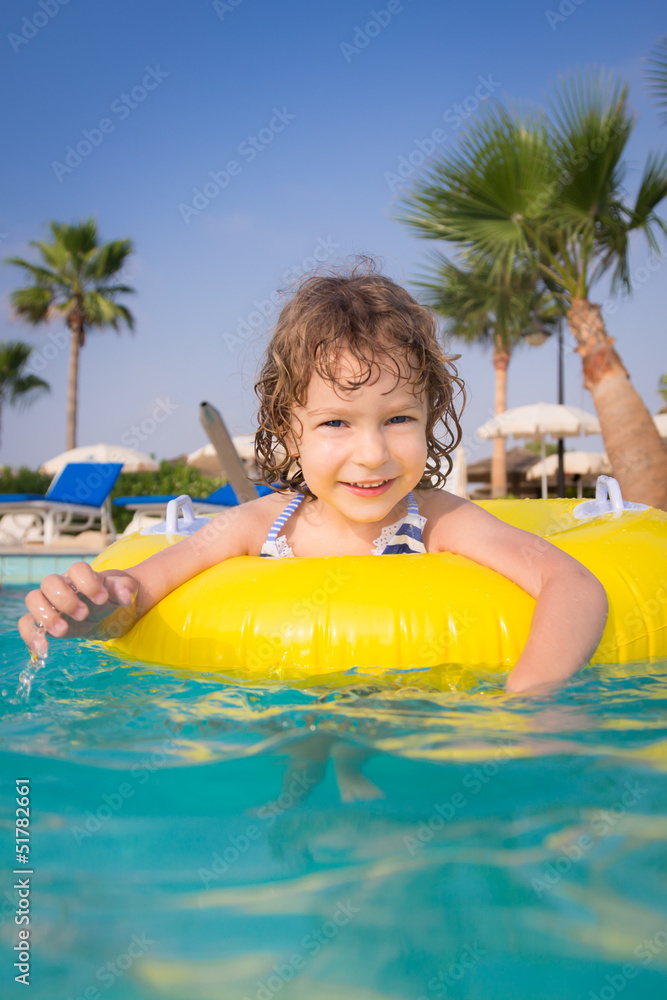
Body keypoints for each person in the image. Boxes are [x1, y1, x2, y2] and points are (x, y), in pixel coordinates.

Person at [19, 261, 608, 694]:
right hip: (288, 716)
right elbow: (143, 587)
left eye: (399, 418)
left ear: (431, 415)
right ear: (289, 429)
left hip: (413, 726)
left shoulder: (434, 519)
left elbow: (573, 584)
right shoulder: (258, 524)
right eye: (335, 423)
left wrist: (529, 703)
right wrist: (96, 606)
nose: (372, 453)